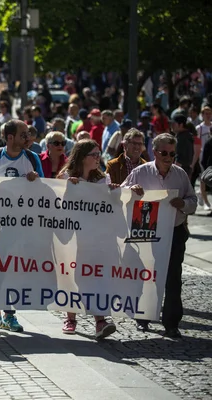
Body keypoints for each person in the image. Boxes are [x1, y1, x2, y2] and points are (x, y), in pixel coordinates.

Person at [122, 133, 197, 338]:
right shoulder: (140, 172)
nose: (168, 157)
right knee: (147, 275)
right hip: (147, 231)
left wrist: (183, 204)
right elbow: (120, 194)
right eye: (164, 153)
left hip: (174, 231)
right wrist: (130, 190)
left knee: (173, 278)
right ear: (154, 152)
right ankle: (143, 317)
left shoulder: (180, 175)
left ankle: (172, 323)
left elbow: (192, 199)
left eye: (172, 154)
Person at [0, 120, 44, 334]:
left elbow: (45, 189)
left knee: (15, 270)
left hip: (22, 227)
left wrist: (37, 180)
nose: (28, 138)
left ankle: (10, 314)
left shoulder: (32, 158)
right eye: (23, 135)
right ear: (11, 137)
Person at [56, 139, 118, 338]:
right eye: (94, 154)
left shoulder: (103, 180)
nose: (98, 158)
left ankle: (100, 321)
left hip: (94, 238)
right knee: (71, 277)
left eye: (99, 154)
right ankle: (70, 318)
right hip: (72, 237)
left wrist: (116, 192)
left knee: (94, 277)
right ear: (83, 157)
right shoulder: (66, 176)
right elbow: (55, 203)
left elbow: (109, 205)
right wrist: (67, 187)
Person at [197, 106, 212, 210]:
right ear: (202, 115)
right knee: (203, 178)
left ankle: (200, 193)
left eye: (210, 113)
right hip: (203, 156)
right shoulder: (199, 128)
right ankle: (206, 202)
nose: (208, 115)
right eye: (206, 113)